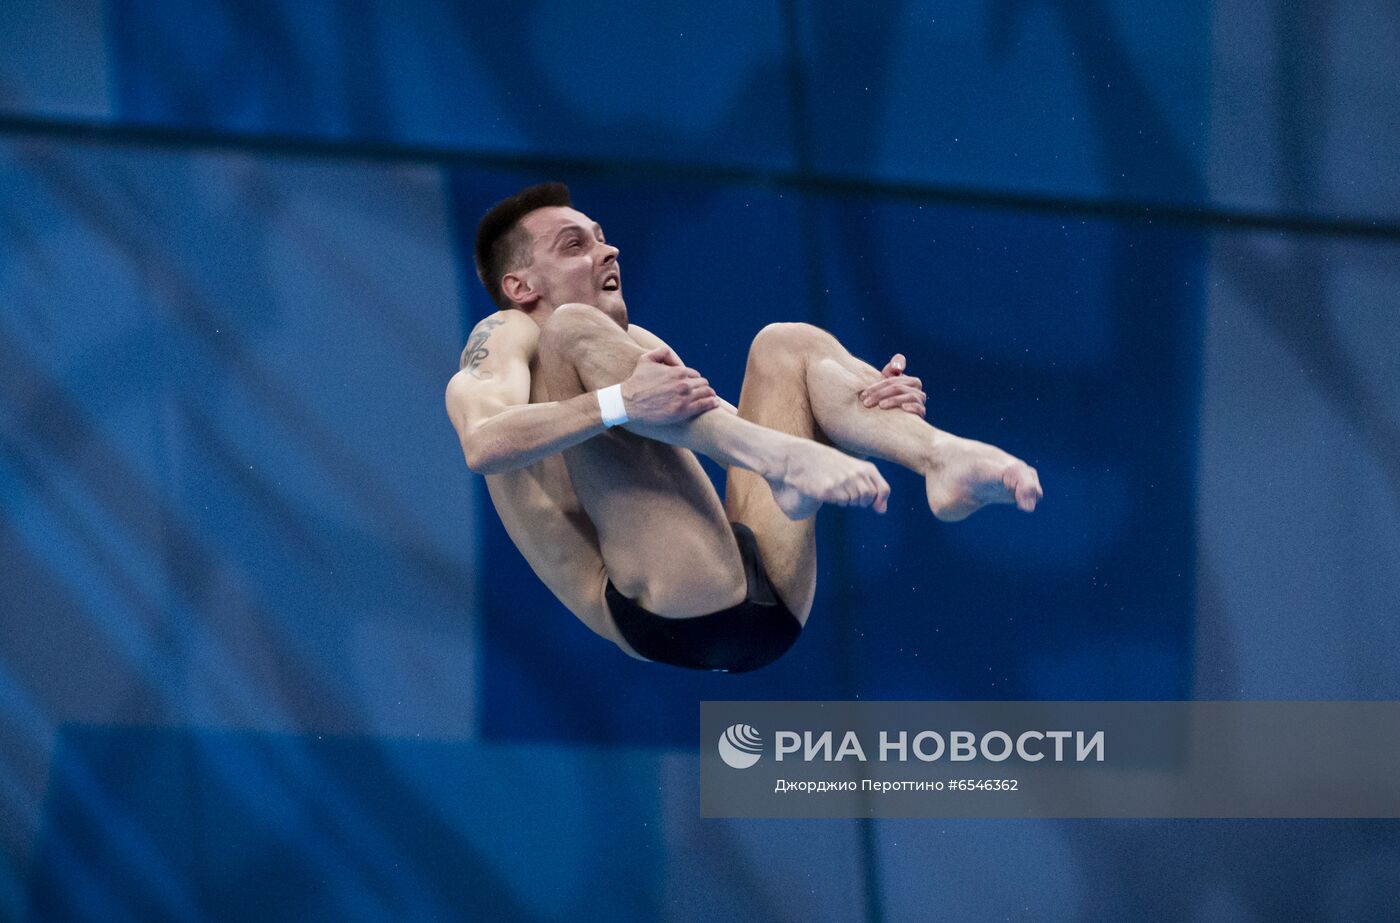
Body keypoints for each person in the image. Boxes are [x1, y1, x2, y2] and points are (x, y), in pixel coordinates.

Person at [445, 183, 1042, 673]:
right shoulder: (505, 336)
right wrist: (619, 403)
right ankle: (788, 466)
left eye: (603, 239)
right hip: (665, 607)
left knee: (787, 344)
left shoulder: (634, 349)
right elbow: (483, 444)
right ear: (520, 286)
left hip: (768, 597)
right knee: (576, 332)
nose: (608, 253)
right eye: (575, 245)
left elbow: (724, 430)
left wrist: (862, 405)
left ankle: (941, 458)